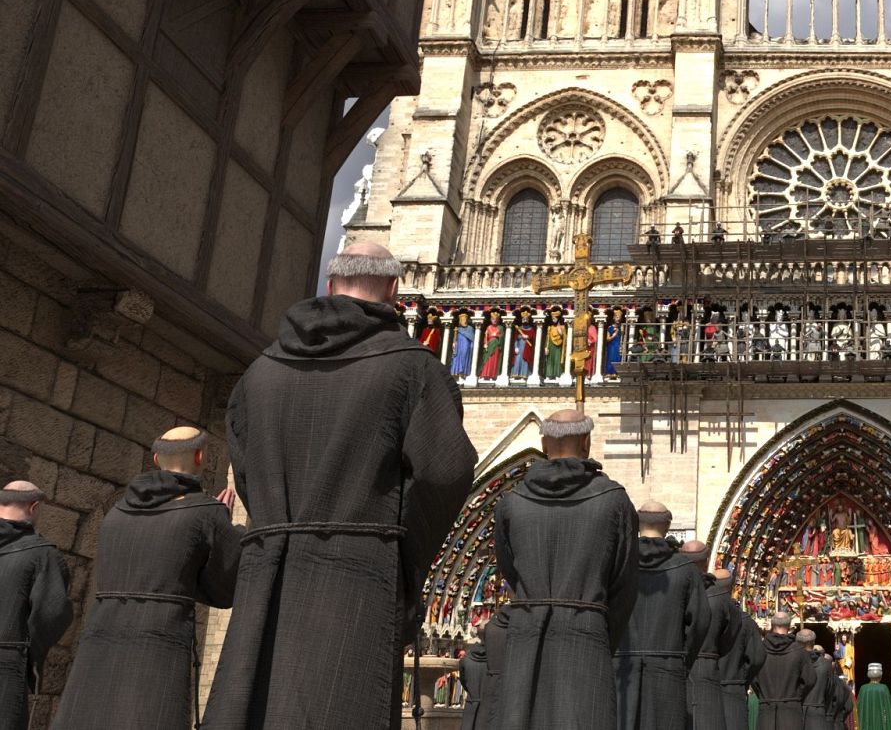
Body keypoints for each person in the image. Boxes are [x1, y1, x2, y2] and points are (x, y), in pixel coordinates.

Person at [202, 243, 477, 730]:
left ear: (330, 287)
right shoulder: (413, 368)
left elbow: (245, 471)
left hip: (271, 570)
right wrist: (401, 548)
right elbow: (445, 473)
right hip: (360, 575)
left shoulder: (259, 373)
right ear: (393, 290)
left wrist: (278, 520)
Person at [53, 427, 242, 730]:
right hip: (159, 645)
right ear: (200, 456)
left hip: (99, 643)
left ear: (155, 459)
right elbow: (224, 591)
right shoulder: (207, 512)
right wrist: (230, 533)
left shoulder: (116, 513)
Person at [494, 407, 640, 728]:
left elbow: (509, 571)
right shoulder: (613, 501)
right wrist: (596, 627)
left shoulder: (511, 503)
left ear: (544, 445)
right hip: (586, 635)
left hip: (526, 634)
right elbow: (625, 584)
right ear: (586, 443)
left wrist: (533, 608)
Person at [616, 502, 710, 730]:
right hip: (668, 666)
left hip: (621, 666)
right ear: (668, 525)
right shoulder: (686, 569)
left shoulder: (618, 565)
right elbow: (700, 622)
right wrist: (682, 656)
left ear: (637, 524)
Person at [0, 481, 71, 730]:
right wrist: (32, 657)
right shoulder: (43, 555)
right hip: (6, 665)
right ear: (35, 507)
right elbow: (52, 614)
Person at [687, 551, 736, 730]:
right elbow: (731, 637)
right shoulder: (723, 602)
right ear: (707, 561)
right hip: (710, 666)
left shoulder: (674, 587)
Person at [715, 572, 765, 730]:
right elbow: (757, 658)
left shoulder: (703, 614)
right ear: (733, 588)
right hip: (734, 689)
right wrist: (742, 679)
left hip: (704, 688)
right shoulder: (746, 622)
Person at [752, 611, 814, 730]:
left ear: (771, 624)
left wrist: (764, 694)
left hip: (766, 712)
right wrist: (795, 695)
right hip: (791, 714)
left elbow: (752, 678)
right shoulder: (799, 652)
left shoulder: (758, 650)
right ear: (789, 626)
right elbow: (810, 680)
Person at [797, 633, 835, 730]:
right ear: (813, 642)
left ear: (797, 642)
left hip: (797, 712)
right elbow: (830, 690)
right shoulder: (826, 664)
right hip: (818, 711)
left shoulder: (793, 661)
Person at [854, 663, 891, 730]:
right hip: (880, 723)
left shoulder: (863, 689)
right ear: (881, 675)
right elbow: (889, 710)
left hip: (866, 723)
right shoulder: (884, 688)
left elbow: (859, 709)